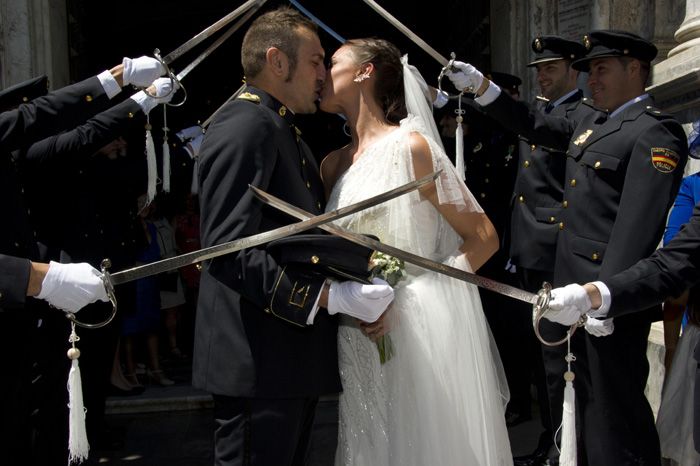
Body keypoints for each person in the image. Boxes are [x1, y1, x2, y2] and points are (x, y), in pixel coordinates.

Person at [447, 31, 688, 465]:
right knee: (572, 405)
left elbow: (635, 229)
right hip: (566, 295)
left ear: (635, 68)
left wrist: (605, 302)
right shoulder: (591, 121)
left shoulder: (656, 132)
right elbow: (534, 123)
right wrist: (484, 89)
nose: (591, 79)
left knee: (616, 418)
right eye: (589, 69)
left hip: (605, 300)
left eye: (602, 68)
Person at [194, 8, 394, 466]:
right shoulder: (246, 126)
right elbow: (227, 250)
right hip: (257, 362)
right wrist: (327, 297)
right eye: (316, 60)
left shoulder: (280, 127)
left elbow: (292, 240)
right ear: (276, 62)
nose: (323, 74)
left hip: (281, 362)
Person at [318, 37, 512, 466]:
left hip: (413, 334)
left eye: (331, 62)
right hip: (356, 337)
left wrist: (407, 301)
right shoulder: (332, 165)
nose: (320, 73)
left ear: (365, 71)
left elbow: (483, 237)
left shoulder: (413, 148)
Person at [0, 55, 166, 463]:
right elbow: (70, 129)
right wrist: (134, 94)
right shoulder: (31, 150)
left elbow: (50, 114)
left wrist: (121, 82)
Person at [509, 35, 589, 466]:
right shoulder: (543, 112)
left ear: (573, 69)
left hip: (554, 252)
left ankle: (564, 448)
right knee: (541, 359)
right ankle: (551, 436)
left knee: (558, 361)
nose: (542, 74)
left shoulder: (579, 116)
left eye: (551, 67)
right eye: (539, 68)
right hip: (528, 249)